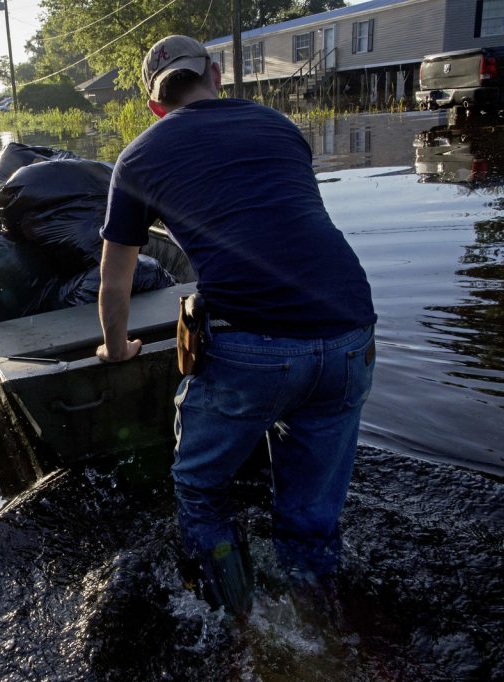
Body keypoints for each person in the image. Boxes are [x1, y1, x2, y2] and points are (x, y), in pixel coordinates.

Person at [95, 35, 377, 617]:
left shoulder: (140, 155)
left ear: (153, 104)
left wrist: (118, 347)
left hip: (252, 349)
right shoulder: (279, 127)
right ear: (217, 74)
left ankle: (240, 627)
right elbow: (282, 221)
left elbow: (114, 281)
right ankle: (318, 625)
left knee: (200, 488)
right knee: (310, 515)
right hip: (351, 331)